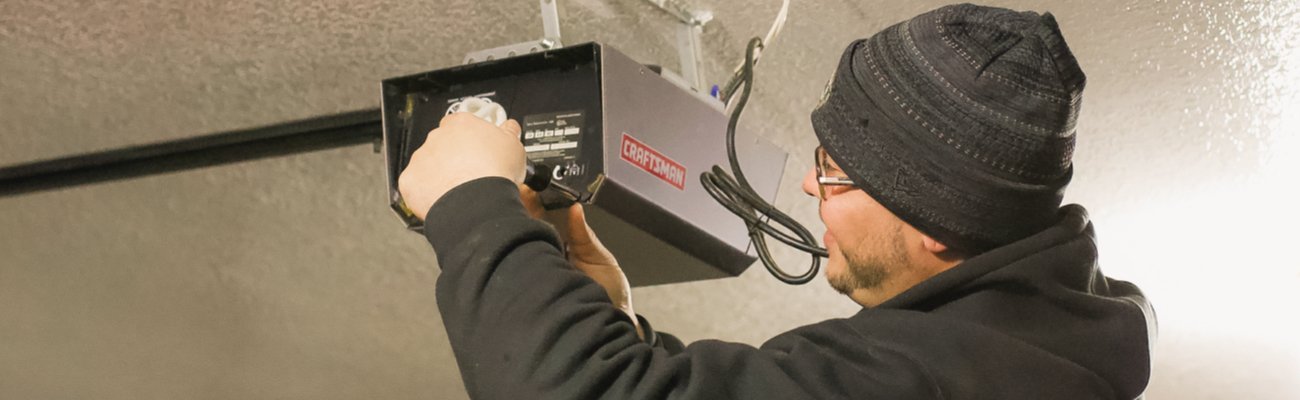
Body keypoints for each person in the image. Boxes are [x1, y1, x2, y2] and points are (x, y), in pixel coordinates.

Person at [398, 3, 1155, 399]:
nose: (805, 185)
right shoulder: (1016, 364)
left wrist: (473, 206)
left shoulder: (932, 380)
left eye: (835, 173)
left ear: (937, 232)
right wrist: (618, 335)